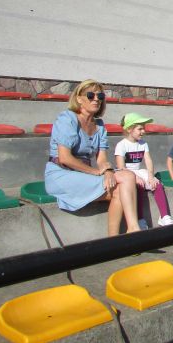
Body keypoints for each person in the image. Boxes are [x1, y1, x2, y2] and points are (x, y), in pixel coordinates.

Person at [45, 79, 140, 236]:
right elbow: (64, 158)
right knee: (123, 183)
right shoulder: (67, 119)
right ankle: (127, 232)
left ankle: (124, 233)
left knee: (127, 177)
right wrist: (97, 172)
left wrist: (107, 171)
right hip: (60, 174)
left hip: (83, 175)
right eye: (91, 95)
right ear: (79, 99)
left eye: (100, 96)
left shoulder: (99, 126)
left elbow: (101, 159)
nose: (96, 99)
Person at [115, 112, 173, 228]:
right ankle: (140, 219)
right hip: (126, 174)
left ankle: (164, 216)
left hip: (138, 172)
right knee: (139, 187)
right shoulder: (121, 145)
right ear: (129, 129)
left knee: (157, 184)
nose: (143, 131)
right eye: (140, 129)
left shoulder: (143, 144)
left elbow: (148, 160)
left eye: (144, 128)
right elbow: (121, 166)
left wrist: (151, 176)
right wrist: (135, 178)